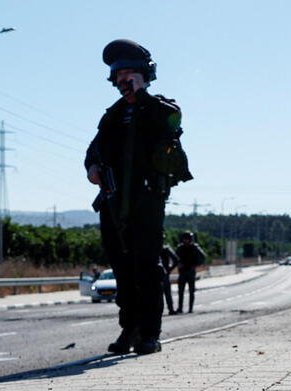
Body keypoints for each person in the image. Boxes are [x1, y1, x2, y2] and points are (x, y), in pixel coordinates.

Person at [85, 39, 192, 354]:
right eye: (119, 75)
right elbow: (93, 149)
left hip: (146, 200)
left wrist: (141, 95)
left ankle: (149, 334)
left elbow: (172, 122)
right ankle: (128, 329)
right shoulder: (113, 116)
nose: (124, 80)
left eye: (130, 73)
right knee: (122, 268)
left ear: (145, 75)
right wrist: (92, 166)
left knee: (146, 266)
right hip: (113, 201)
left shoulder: (160, 107)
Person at [175, 232, 206, 314]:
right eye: (185, 238)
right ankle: (180, 308)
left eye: (188, 238)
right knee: (180, 291)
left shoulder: (195, 247)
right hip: (182, 271)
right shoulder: (180, 248)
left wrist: (196, 265)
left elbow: (203, 257)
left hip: (191, 271)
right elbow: (175, 257)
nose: (186, 240)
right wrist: (178, 263)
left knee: (191, 291)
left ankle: (190, 308)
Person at [159, 241, 180, 315]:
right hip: (160, 274)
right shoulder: (154, 249)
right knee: (162, 294)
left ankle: (169, 309)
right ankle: (168, 309)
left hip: (163, 274)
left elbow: (176, 260)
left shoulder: (165, 249)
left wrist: (169, 269)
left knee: (165, 293)